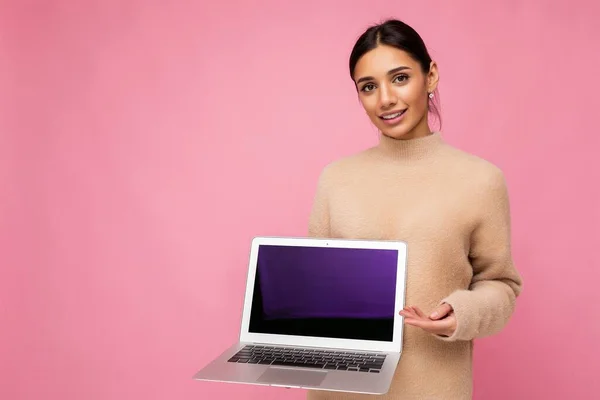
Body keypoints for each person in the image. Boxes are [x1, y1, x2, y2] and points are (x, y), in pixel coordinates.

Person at [306, 19, 523, 400]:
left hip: (431, 388)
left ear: (431, 75)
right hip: (339, 390)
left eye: (400, 78)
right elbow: (317, 285)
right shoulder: (335, 178)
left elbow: (501, 285)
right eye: (368, 87)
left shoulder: (480, 179)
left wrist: (463, 312)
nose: (385, 98)